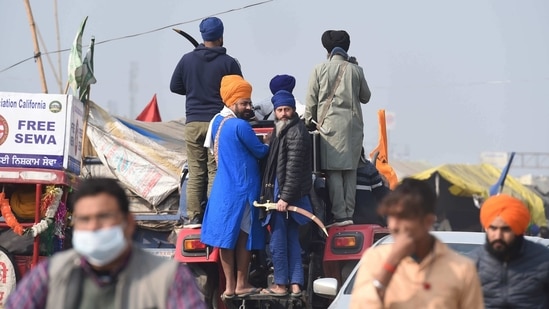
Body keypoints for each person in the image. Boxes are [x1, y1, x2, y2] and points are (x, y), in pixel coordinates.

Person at [5, 177, 206, 309]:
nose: (93, 227)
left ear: (128, 223)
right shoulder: (51, 275)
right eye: (85, 219)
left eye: (103, 217)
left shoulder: (168, 278)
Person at [350, 178, 484, 308]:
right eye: (391, 216)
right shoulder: (374, 259)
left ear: (428, 221)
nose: (394, 225)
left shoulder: (462, 269)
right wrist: (390, 264)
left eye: (403, 217)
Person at [201, 75, 269, 299]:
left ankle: (229, 287)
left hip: (223, 190)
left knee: (225, 239)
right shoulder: (240, 125)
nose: (249, 107)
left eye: (249, 102)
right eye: (244, 103)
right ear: (232, 103)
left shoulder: (217, 122)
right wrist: (272, 142)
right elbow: (261, 152)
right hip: (243, 190)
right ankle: (241, 283)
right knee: (245, 236)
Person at [170, 16, 242, 227]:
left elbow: (175, 87)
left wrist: (193, 89)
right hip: (217, 123)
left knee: (195, 170)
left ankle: (194, 216)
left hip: (193, 123)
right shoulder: (228, 63)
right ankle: (213, 213)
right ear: (221, 37)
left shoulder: (187, 60)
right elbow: (238, 93)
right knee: (214, 170)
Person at [304, 30, 371, 227]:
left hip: (329, 128)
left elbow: (311, 101)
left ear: (327, 49)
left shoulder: (319, 69)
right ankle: (349, 214)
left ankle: (340, 216)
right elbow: (366, 97)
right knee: (350, 171)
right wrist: (356, 68)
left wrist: (309, 121)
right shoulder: (356, 70)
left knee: (333, 172)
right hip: (353, 128)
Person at [258, 89, 312, 297]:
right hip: (283, 194)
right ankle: (296, 285)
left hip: (287, 196)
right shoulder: (283, 130)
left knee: (278, 241)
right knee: (291, 240)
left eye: (287, 109)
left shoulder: (296, 132)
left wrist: (284, 198)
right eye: (279, 110)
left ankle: (281, 284)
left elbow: (294, 170)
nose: (283, 113)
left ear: (292, 110)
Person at [470, 194, 549, 308]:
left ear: (518, 230)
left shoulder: (543, 261)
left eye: (505, 229)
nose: (498, 236)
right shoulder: (473, 263)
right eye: (493, 228)